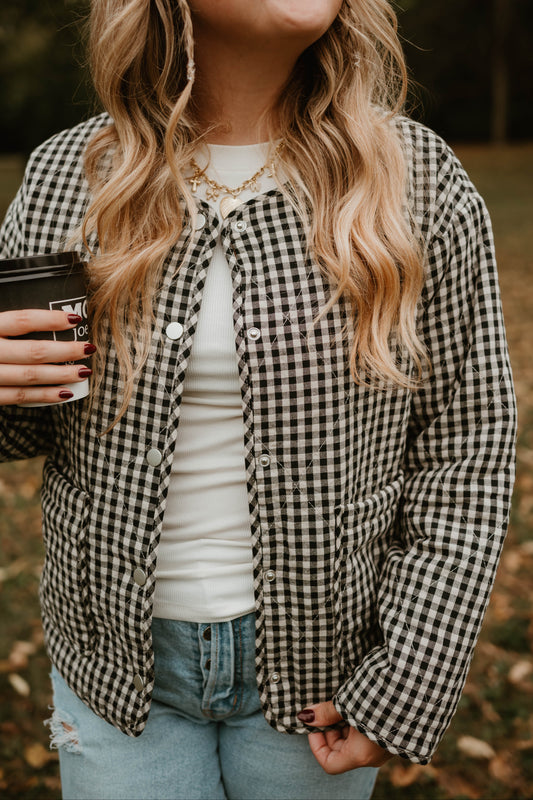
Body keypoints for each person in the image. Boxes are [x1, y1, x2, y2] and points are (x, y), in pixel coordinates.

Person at [0, 1, 517, 798]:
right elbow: (22, 425)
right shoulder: (75, 174)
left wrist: (408, 674)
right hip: (113, 671)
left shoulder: (415, 178)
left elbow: (467, 447)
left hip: (322, 676)